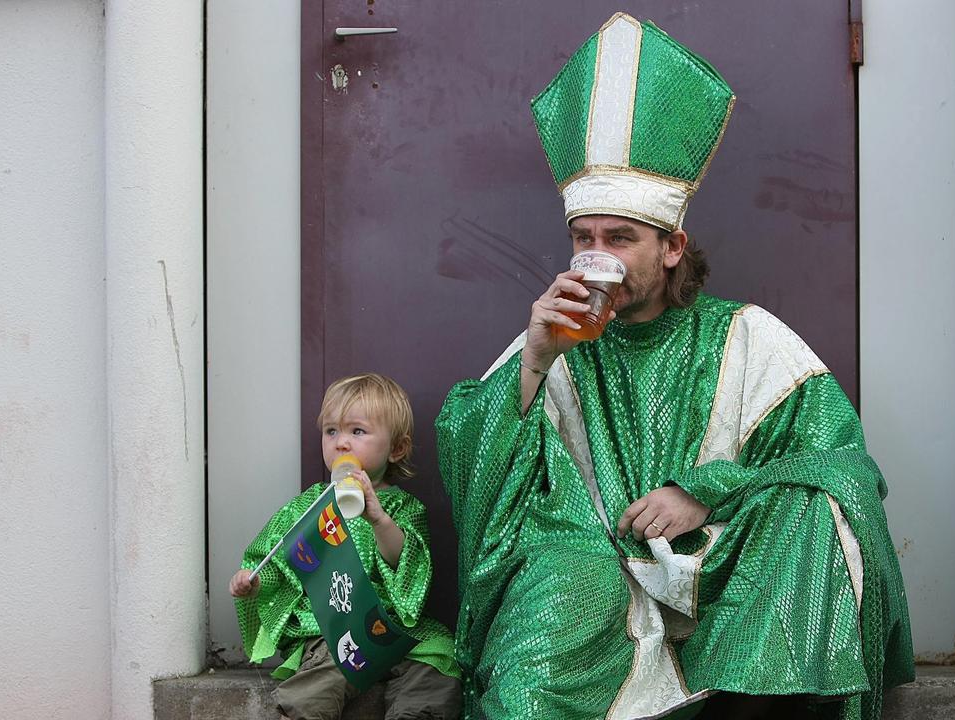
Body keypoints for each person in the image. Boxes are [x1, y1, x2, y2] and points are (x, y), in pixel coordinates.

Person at [435, 12, 913, 720]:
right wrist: (532, 363)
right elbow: (474, 470)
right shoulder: (556, 333)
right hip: (589, 570)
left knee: (815, 507)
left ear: (671, 246)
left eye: (620, 238)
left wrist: (704, 491)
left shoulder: (749, 339)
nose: (598, 254)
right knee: (528, 680)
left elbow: (844, 466)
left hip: (722, 569)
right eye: (584, 237)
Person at [231, 373, 462, 720]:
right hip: (333, 628)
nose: (341, 443)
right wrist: (255, 581)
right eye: (331, 431)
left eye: (357, 431)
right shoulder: (307, 509)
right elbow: (278, 562)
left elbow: (408, 563)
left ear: (396, 448)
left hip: (394, 628)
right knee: (322, 674)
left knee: (436, 663)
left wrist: (378, 518)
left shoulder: (402, 508)